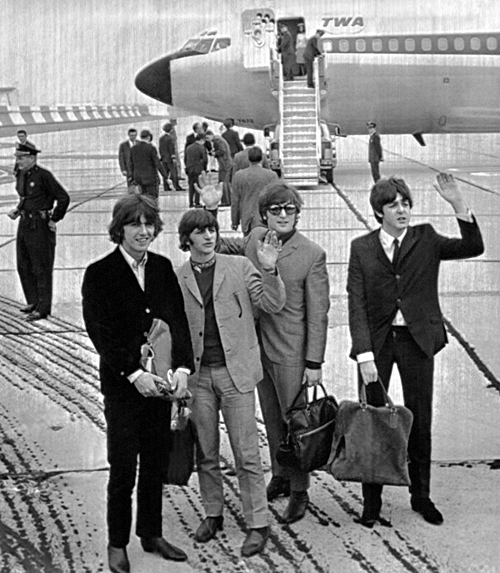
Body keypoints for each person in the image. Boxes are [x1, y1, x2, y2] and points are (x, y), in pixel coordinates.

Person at [346, 174, 484, 528]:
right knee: (373, 421)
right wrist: (364, 356)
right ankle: (371, 501)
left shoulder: (426, 239)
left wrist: (457, 203)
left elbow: (473, 247)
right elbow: (356, 304)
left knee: (420, 420)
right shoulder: (361, 247)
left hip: (416, 341)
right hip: (377, 347)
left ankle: (420, 495)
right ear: (379, 212)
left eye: (405, 203)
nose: (402, 209)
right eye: (394, 205)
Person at [82, 195, 195, 573]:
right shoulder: (100, 274)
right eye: (135, 224)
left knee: (155, 464)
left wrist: (181, 368)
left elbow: (177, 320)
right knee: (123, 468)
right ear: (120, 229)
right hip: (124, 388)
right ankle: (118, 542)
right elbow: (101, 333)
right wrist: (134, 373)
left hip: (161, 387)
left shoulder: (162, 268)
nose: (143, 231)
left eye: (149, 224)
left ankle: (151, 533)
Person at [176, 209, 285, 557]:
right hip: (199, 378)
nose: (208, 236)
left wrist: (269, 269)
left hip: (235, 373)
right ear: (187, 239)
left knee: (247, 453)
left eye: (212, 229)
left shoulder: (238, 267)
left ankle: (258, 523)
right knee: (205, 452)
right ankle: (213, 513)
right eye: (200, 231)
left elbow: (272, 302)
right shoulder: (178, 277)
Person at [244, 182, 330, 524]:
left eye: (289, 209)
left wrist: (314, 362)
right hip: (257, 348)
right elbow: (224, 247)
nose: (282, 215)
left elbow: (319, 313)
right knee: (271, 417)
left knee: (296, 425)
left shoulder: (311, 254)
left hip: (292, 352)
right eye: (275, 210)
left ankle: (299, 490)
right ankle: (280, 475)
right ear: (264, 214)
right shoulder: (255, 240)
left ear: (298, 212)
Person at [7, 142, 70, 322]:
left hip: (40, 226)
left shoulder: (44, 175)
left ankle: (43, 308)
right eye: (17, 158)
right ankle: (33, 301)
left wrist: (53, 218)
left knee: (41, 267)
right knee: (24, 265)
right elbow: (25, 197)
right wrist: (18, 209)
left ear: (32, 158)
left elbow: (63, 197)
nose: (18, 161)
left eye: (21, 157)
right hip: (25, 223)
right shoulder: (20, 174)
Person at [231, 147, 278, 235]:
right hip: (266, 217)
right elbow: (276, 198)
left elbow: (235, 201)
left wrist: (235, 221)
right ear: (262, 158)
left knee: (249, 245)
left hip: (247, 218)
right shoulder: (272, 175)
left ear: (248, 158)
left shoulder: (239, 176)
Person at [128, 128, 167, 199]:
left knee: (141, 198)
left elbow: (130, 164)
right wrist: (165, 176)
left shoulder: (133, 148)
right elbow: (157, 163)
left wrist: (131, 177)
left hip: (138, 178)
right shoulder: (151, 148)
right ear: (149, 137)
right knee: (152, 198)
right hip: (150, 178)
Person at [205, 129, 233, 206]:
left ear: (211, 135)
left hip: (224, 163)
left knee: (222, 182)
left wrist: (215, 153)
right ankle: (229, 200)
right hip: (226, 162)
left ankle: (225, 201)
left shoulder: (217, 140)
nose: (208, 140)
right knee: (226, 182)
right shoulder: (218, 139)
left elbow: (222, 150)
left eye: (208, 138)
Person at [185, 133, 208, 208]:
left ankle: (190, 202)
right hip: (198, 169)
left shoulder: (188, 147)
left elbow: (185, 159)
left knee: (191, 186)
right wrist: (204, 168)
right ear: (201, 140)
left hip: (190, 169)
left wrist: (187, 166)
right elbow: (205, 160)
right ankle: (197, 202)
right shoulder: (201, 148)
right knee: (198, 185)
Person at [159, 122, 182, 191]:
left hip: (163, 158)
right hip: (169, 158)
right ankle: (176, 186)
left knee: (165, 173)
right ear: (171, 129)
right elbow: (171, 149)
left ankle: (166, 187)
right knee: (174, 172)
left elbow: (160, 148)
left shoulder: (161, 138)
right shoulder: (170, 138)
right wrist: (173, 157)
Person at [118, 127, 137, 191]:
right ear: (128, 135)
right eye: (131, 135)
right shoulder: (123, 145)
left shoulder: (139, 143)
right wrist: (123, 169)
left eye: (134, 135)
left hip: (138, 169)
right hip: (129, 170)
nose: (133, 137)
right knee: (131, 187)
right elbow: (121, 158)